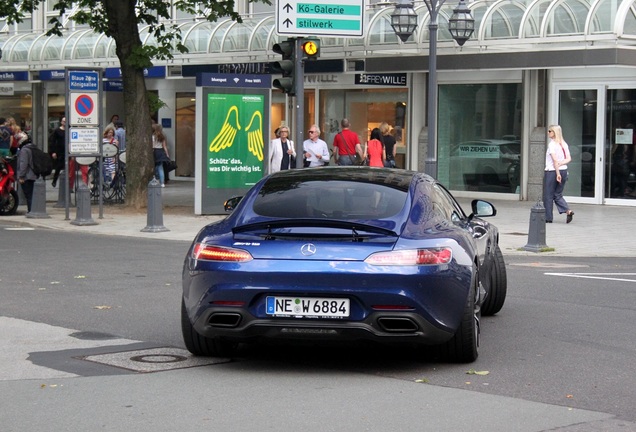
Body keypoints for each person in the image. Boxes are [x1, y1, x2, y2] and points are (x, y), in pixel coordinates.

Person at [543, 125, 574, 224]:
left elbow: (554, 160)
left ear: (554, 132)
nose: (548, 133)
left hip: (552, 171)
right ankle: (567, 211)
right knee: (557, 194)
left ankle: (548, 217)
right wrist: (562, 164)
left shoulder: (552, 145)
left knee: (548, 195)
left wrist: (557, 173)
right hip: (564, 170)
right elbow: (569, 159)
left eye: (549, 131)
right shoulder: (564, 144)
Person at [16, 134, 37, 213]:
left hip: (27, 175)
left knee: (29, 195)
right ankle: (33, 209)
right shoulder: (32, 147)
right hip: (34, 174)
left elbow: (23, 163)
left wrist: (21, 176)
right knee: (32, 194)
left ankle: (31, 210)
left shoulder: (24, 150)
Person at [49, 116, 66, 187]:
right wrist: (53, 152)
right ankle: (54, 180)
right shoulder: (57, 131)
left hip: (67, 151)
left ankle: (68, 183)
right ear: (61, 122)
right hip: (59, 151)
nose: (64, 123)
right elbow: (52, 141)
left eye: (66, 121)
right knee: (58, 167)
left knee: (68, 167)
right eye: (63, 121)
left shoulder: (69, 130)